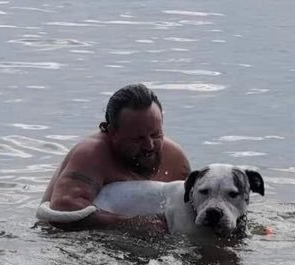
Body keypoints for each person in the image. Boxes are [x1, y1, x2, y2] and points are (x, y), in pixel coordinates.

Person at [40, 83, 191, 234]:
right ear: (112, 132)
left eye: (155, 135)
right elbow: (63, 210)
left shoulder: (175, 159)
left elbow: (190, 206)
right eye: (137, 139)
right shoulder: (91, 155)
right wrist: (130, 224)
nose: (149, 146)